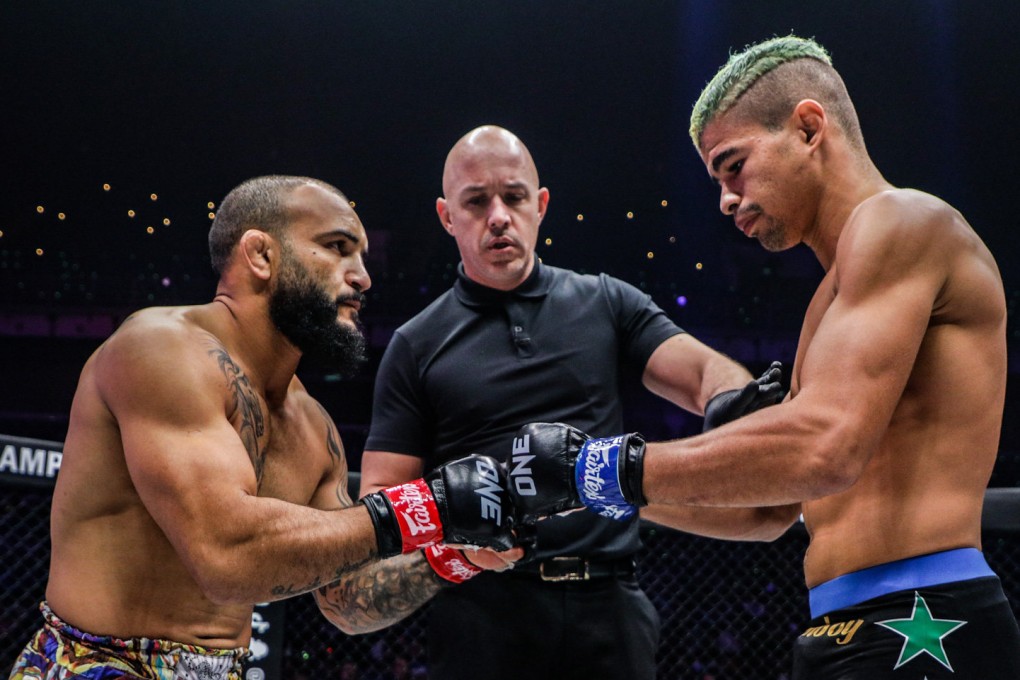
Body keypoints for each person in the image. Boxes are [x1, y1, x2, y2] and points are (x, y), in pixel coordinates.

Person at [510, 36, 1020, 678]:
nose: (725, 199)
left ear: (808, 128)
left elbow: (825, 448)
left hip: (925, 617)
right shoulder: (829, 298)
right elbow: (770, 511)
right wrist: (580, 489)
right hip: (847, 623)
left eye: (734, 165)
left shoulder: (903, 220)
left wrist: (601, 466)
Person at [7, 175, 517, 680]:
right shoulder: (159, 349)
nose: (362, 277)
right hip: (98, 663)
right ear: (260, 254)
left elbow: (346, 600)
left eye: (362, 256)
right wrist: (426, 506)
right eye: (337, 247)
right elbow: (225, 555)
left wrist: (455, 554)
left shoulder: (314, 426)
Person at [357, 125, 796, 680]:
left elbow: (707, 372)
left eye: (514, 197)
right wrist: (451, 542)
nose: (499, 216)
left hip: (608, 605)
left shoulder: (605, 302)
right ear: (447, 216)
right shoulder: (416, 343)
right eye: (477, 201)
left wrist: (731, 400)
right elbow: (378, 507)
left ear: (540, 205)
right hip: (482, 609)